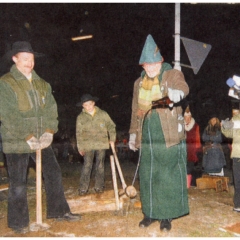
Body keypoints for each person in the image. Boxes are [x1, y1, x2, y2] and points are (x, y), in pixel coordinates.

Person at [0, 41, 81, 234]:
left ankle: (59, 211)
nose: (29, 63)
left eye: (32, 59)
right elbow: (7, 115)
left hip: (41, 140)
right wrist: (27, 135)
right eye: (25, 59)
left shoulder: (42, 84)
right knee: (18, 183)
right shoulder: (5, 83)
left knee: (53, 173)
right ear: (15, 59)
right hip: (17, 141)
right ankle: (19, 223)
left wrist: (49, 131)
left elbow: (51, 110)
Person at [128, 34, 189, 232]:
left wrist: (177, 93)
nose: (151, 67)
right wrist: (132, 134)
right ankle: (151, 213)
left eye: (154, 63)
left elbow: (182, 86)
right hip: (147, 130)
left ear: (160, 61)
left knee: (167, 175)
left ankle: (167, 216)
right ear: (143, 66)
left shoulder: (171, 74)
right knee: (148, 174)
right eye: (147, 65)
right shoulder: (138, 83)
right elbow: (135, 111)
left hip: (167, 131)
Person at [76, 94, 116, 195]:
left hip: (101, 144)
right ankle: (83, 188)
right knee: (87, 166)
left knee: (100, 166)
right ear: (82, 106)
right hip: (88, 145)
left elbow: (111, 126)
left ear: (94, 103)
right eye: (85, 105)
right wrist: (80, 147)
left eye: (90, 104)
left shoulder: (103, 114)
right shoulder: (80, 118)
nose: (88, 107)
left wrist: (112, 139)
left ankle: (99, 186)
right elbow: (79, 133)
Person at [221, 106, 240, 212]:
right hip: (237, 154)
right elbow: (229, 134)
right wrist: (224, 127)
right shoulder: (236, 119)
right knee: (237, 181)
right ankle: (238, 205)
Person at [184, 106, 201, 187]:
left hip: (191, 150)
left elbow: (197, 138)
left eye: (188, 117)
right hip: (183, 149)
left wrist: (197, 149)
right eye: (185, 117)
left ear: (190, 117)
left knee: (189, 168)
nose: (187, 119)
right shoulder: (181, 125)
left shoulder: (195, 125)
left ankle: (188, 184)